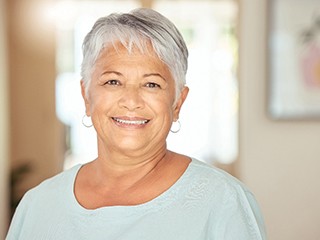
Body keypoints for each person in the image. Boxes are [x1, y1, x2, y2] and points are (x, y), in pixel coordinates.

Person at [6, 8, 266, 240]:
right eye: (113, 81)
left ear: (177, 103)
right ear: (86, 96)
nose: (131, 101)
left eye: (151, 84)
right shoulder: (37, 206)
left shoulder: (223, 201)